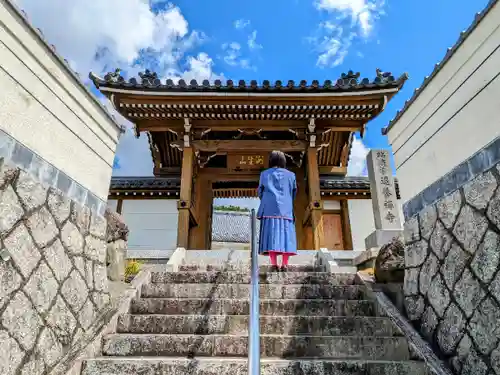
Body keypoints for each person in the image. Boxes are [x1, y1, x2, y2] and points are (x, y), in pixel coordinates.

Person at [257, 150, 297, 272]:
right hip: (286, 210)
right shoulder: (291, 175)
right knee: (286, 237)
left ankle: (274, 264)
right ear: (283, 161)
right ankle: (284, 264)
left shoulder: (264, 174)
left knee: (271, 236)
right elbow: (293, 191)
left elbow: (260, 191)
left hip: (269, 209)